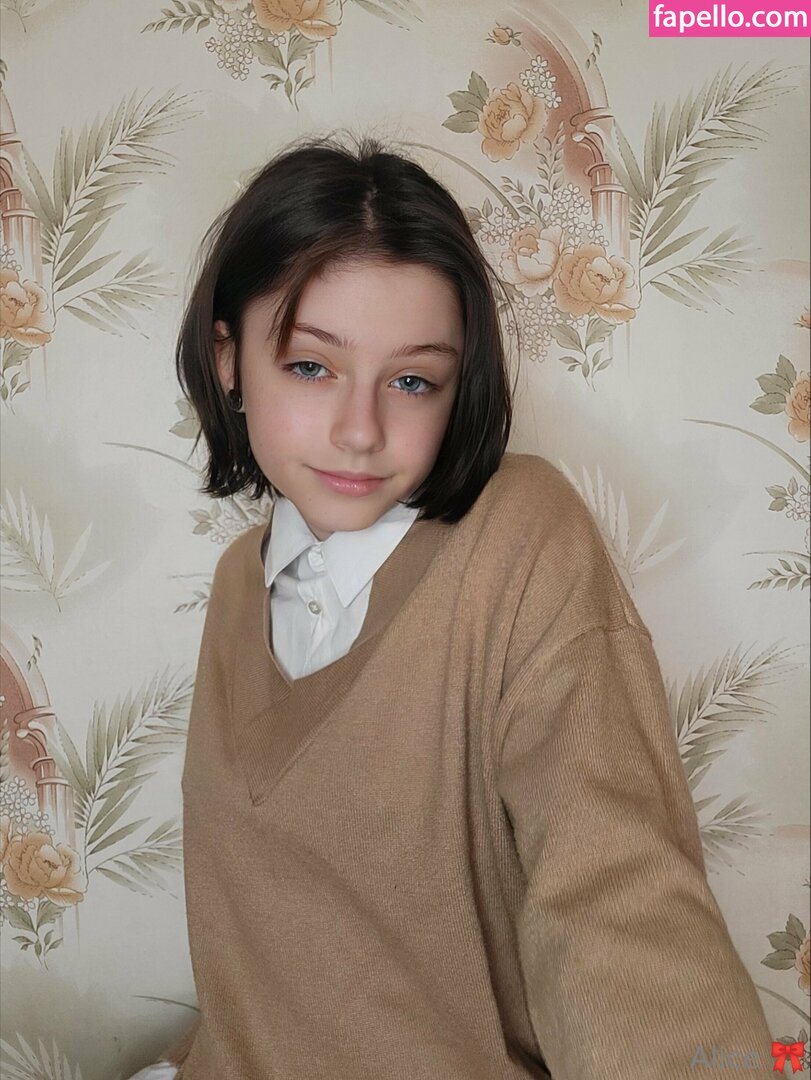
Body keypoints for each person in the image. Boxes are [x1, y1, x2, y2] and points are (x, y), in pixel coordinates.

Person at [128, 131, 775, 1079]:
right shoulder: (239, 583)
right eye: (310, 366)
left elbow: (617, 894)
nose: (359, 431)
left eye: (411, 381)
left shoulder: (521, 540)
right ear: (228, 360)